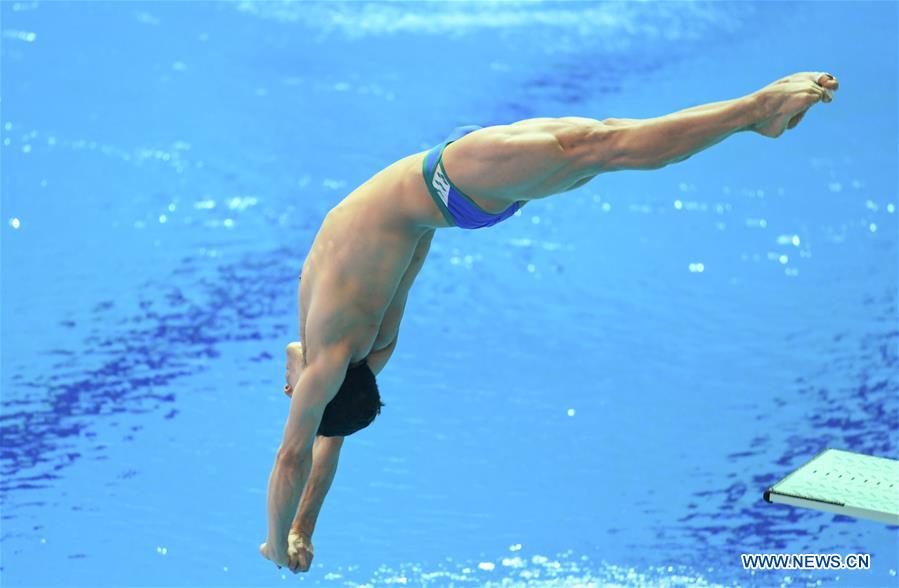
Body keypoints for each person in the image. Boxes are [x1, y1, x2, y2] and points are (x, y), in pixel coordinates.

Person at [260, 71, 840, 572]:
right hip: (452, 180)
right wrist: (276, 541)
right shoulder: (339, 350)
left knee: (609, 138)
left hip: (457, 183)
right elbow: (295, 456)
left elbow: (324, 438)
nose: (289, 391)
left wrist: (301, 531)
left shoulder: (338, 353)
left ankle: (751, 115)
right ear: (317, 389)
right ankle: (755, 111)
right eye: (298, 396)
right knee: (611, 145)